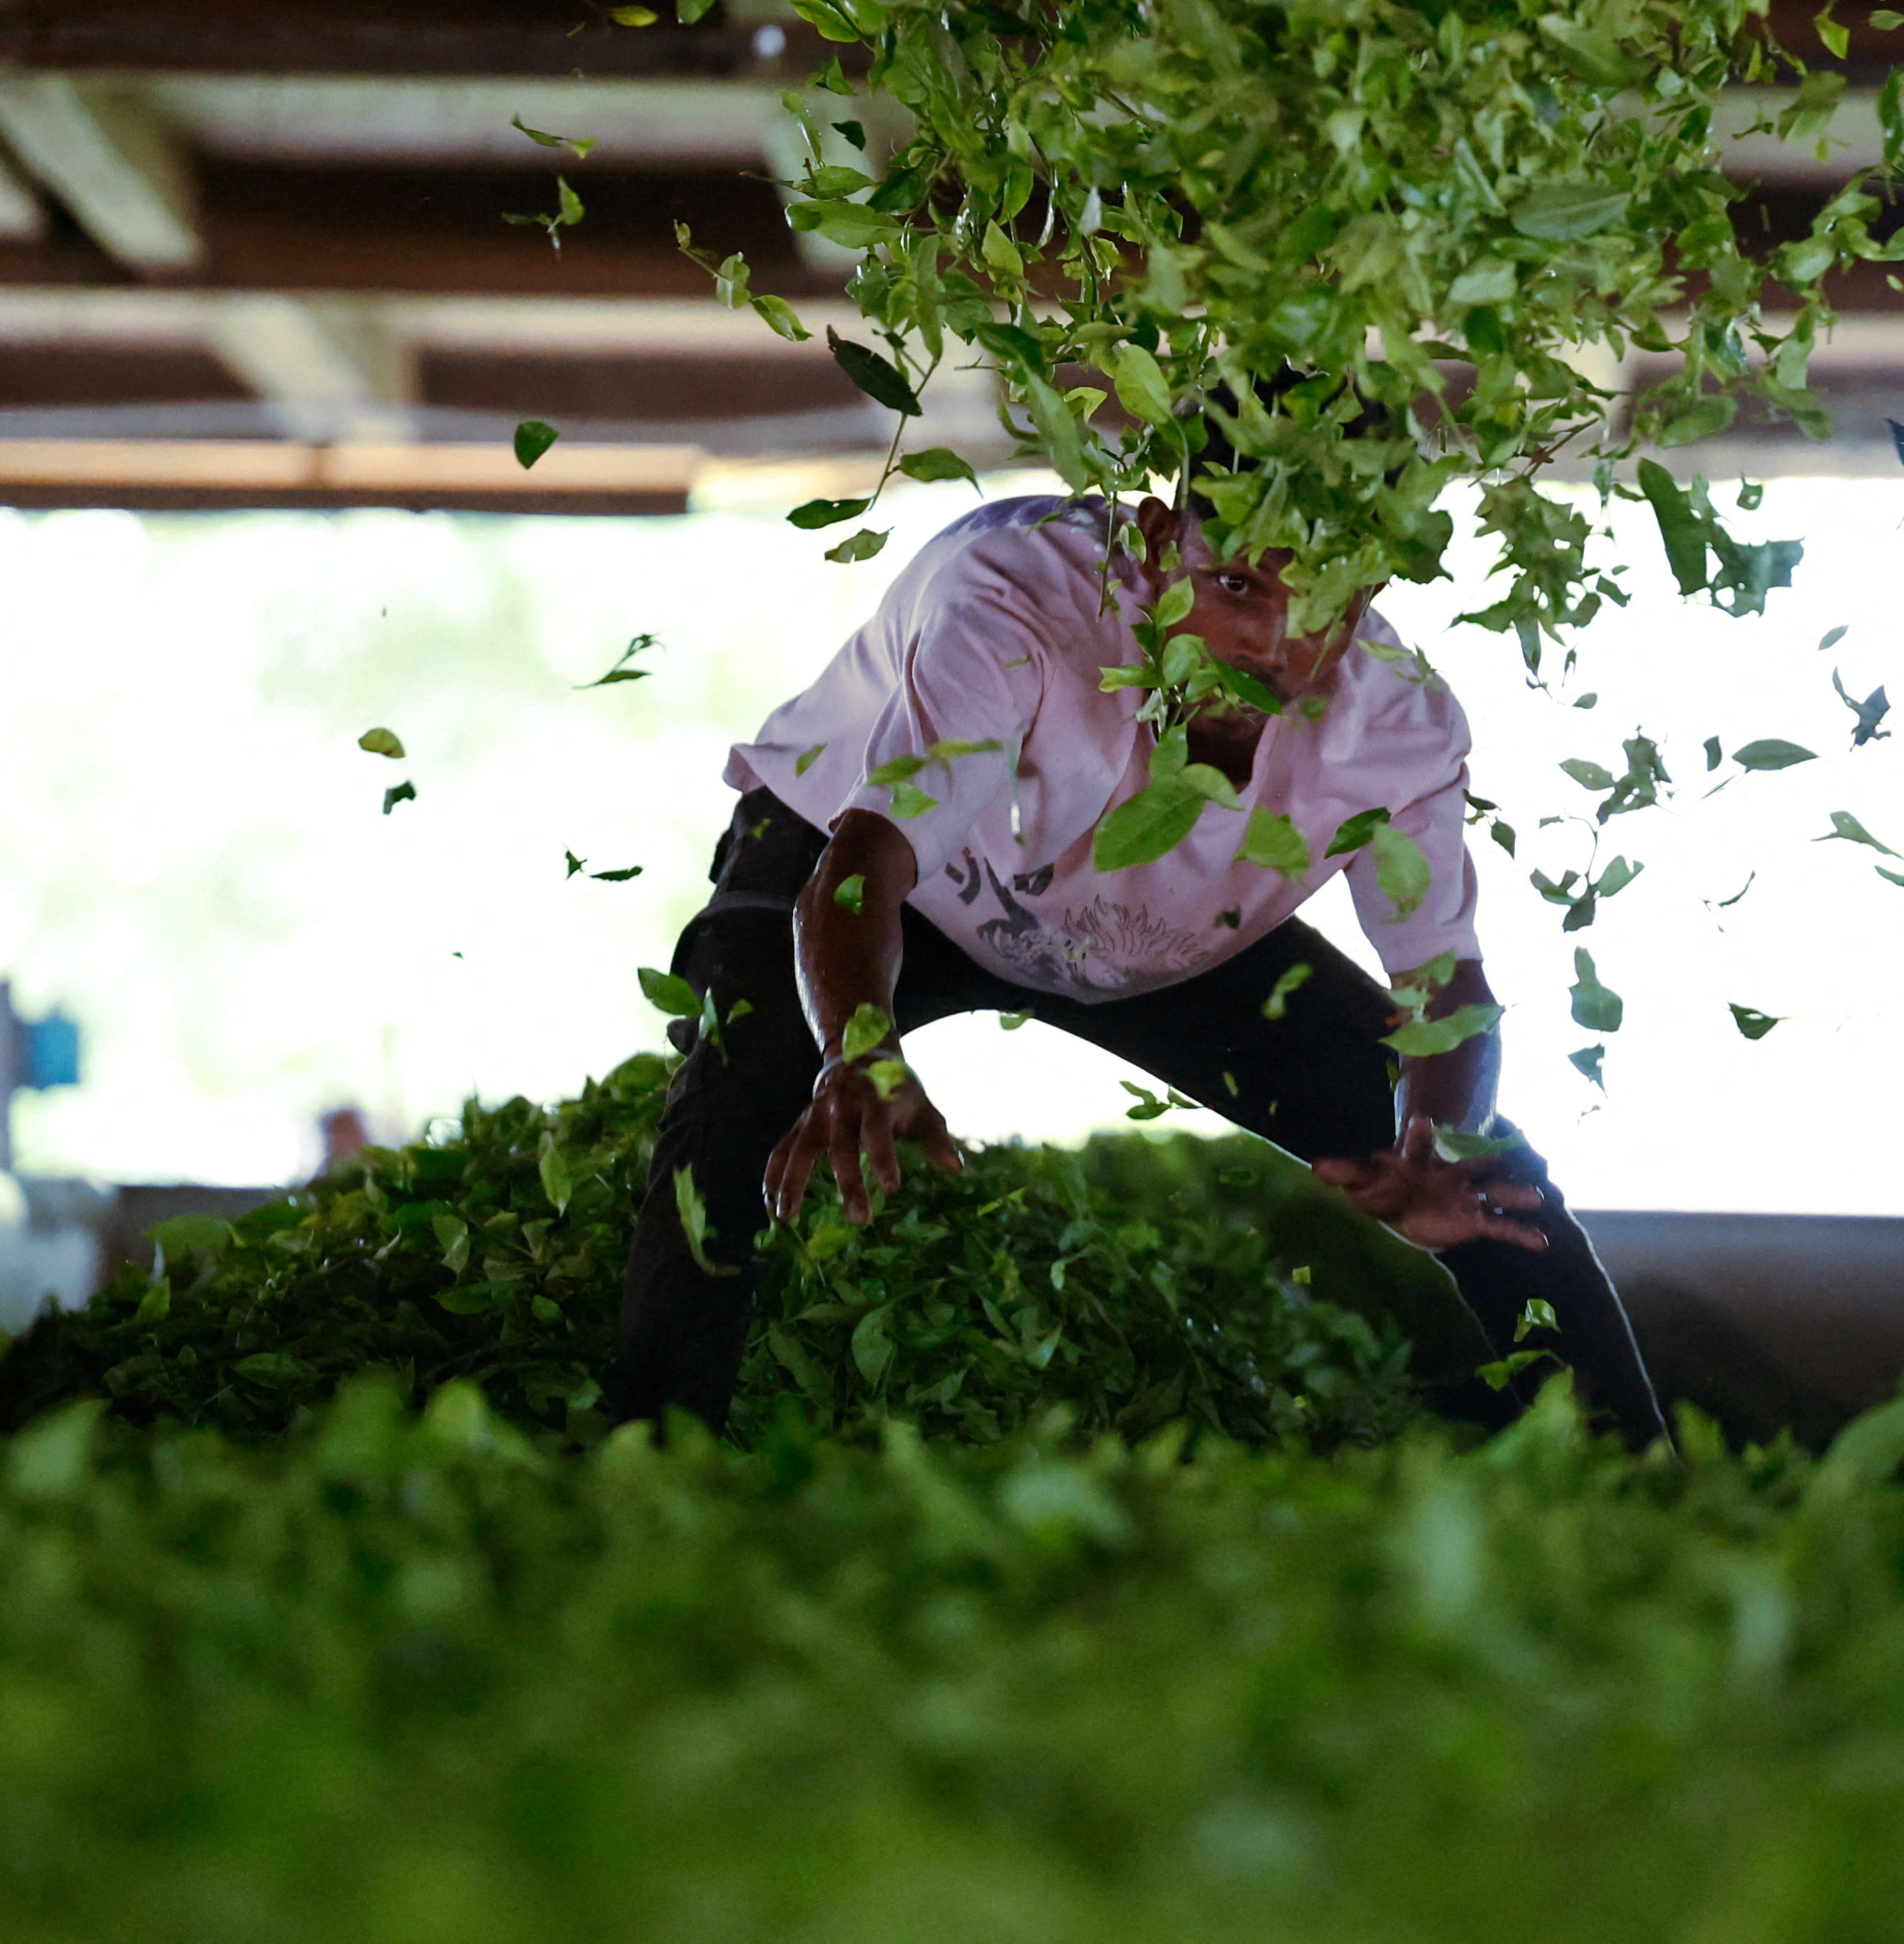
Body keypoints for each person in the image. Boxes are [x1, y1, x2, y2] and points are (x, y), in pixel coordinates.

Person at [609, 488, 1665, 1444]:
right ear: (1160, 544)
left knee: (1494, 1184)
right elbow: (867, 861)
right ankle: (648, 1474)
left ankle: (1647, 1499)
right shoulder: (1017, 602)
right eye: (1237, 583)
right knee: (740, 1099)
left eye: (1327, 605)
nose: (1272, 643)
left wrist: (1439, 1137)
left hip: (1156, 930)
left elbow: (1445, 985)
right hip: (881, 877)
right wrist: (858, 1051)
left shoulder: (1398, 728)